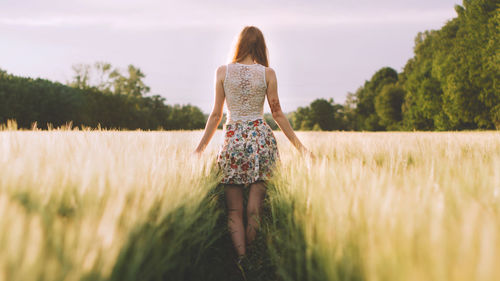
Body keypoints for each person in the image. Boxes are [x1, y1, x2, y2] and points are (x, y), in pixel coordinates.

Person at [193, 25, 313, 274]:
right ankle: (256, 260)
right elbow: (277, 113)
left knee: (234, 209)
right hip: (261, 141)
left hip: (234, 141)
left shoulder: (222, 72)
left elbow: (216, 115)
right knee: (255, 207)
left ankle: (242, 261)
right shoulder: (268, 73)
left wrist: (199, 149)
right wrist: (301, 148)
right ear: (261, 46)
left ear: (238, 45)